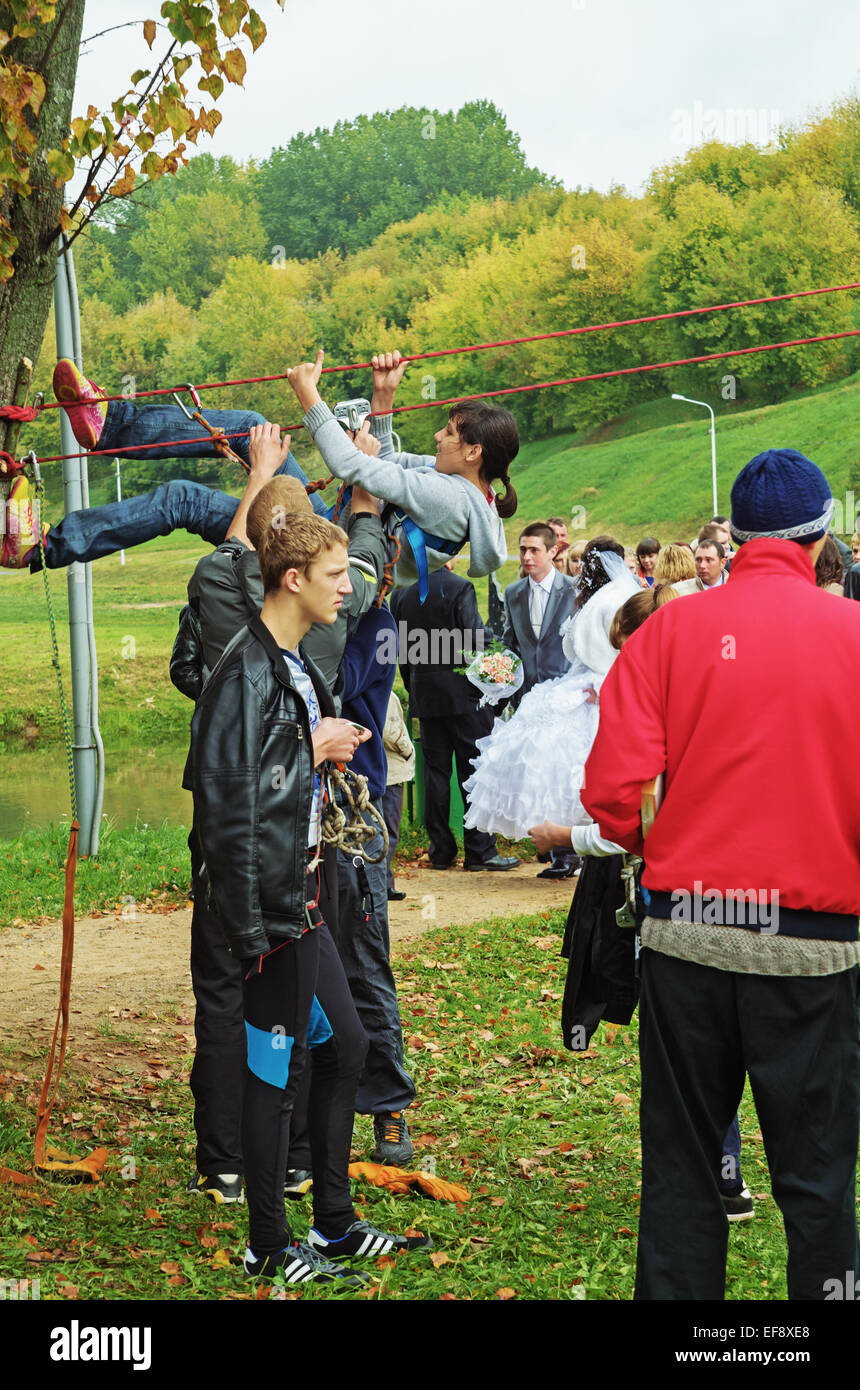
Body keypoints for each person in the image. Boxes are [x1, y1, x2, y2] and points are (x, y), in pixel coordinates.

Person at [583, 447, 860, 1300]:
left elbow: (610, 793)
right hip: (814, 948)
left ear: (732, 537)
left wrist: (654, 847)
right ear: (822, 541)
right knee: (818, 1186)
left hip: (689, 935)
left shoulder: (670, 630)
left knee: (683, 1171)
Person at [190, 493, 430, 1284]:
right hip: (266, 913)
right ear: (291, 579)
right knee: (274, 1070)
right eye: (334, 574)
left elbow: (273, 777)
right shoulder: (244, 669)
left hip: (305, 895)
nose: (346, 588)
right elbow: (224, 796)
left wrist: (314, 754)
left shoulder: (290, 662)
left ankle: (332, 1224)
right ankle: (267, 1243)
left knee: (347, 1048)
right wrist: (313, 749)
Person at [528, 583, 754, 1225]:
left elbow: (633, 817)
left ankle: (708, 1177)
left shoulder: (668, 712)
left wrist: (569, 836)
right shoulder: (716, 691)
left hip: (683, 905)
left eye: (633, 652)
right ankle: (719, 1175)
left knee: (693, 1049)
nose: (628, 667)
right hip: (738, 899)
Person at [285, 349, 518, 594]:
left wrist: (307, 391)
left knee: (253, 427)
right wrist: (384, 395)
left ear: (473, 453)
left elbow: (349, 464)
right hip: (338, 530)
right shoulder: (460, 481)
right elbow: (386, 462)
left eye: (448, 433)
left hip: (327, 556)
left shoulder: (449, 498)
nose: (437, 436)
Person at [464, 535, 640, 856]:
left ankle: (580, 842)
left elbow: (625, 653)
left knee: (573, 765)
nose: (582, 568)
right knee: (552, 762)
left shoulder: (615, 600)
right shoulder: (591, 597)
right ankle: (563, 844)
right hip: (571, 684)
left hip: (595, 692)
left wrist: (603, 687)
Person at [389, 559, 519, 874]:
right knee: (473, 772)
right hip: (465, 696)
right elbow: (476, 640)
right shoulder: (459, 587)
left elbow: (402, 650)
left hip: (426, 694)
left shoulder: (402, 594)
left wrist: (415, 686)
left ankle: (441, 851)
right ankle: (479, 850)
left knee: (435, 774)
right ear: (447, 557)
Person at [382, 690, 415, 903]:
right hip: (391, 772)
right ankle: (383, 883)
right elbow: (391, 730)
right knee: (388, 832)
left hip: (375, 772)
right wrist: (408, 750)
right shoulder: (387, 694)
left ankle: (385, 881)